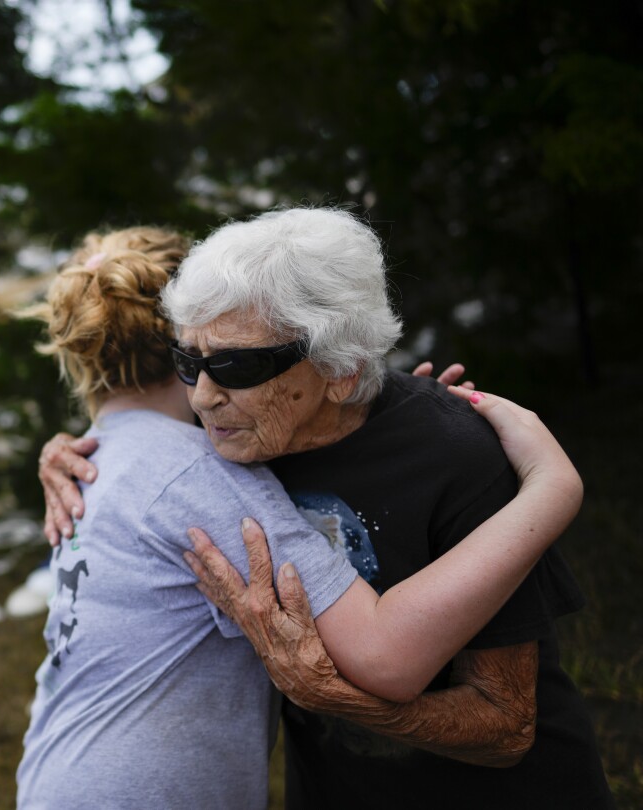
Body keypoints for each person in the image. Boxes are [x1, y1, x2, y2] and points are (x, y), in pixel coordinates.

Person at [37, 208, 613, 808]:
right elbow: (142, 435)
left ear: (341, 372)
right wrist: (69, 453)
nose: (205, 395)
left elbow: (507, 727)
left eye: (238, 366)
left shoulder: (456, 458)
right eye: (188, 361)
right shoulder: (237, 447)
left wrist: (333, 695)